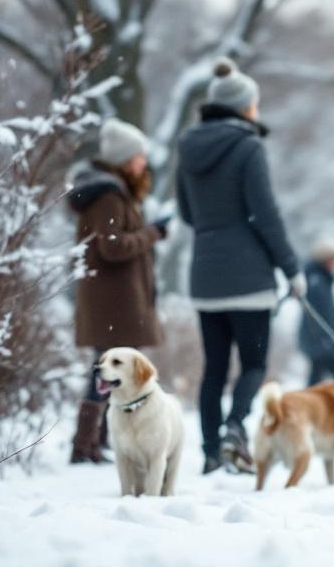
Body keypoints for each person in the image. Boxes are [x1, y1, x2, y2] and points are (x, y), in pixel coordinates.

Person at [176, 58, 303, 474]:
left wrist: (215, 231)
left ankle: (212, 451)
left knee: (214, 368)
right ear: (245, 106)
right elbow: (265, 214)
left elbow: (187, 213)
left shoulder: (187, 149)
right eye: (255, 104)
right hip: (249, 278)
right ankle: (235, 428)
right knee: (253, 364)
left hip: (205, 278)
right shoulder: (248, 147)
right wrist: (291, 268)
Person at [67, 119, 166, 464]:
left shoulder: (113, 192)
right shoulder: (108, 196)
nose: (143, 162)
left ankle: (96, 443)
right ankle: (85, 445)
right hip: (113, 303)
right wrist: (152, 234)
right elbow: (113, 247)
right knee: (106, 369)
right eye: (138, 156)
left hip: (114, 301)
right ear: (124, 159)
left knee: (109, 371)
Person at [298, 236, 334, 386]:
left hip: (322, 340)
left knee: (316, 377)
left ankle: (305, 406)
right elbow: (319, 314)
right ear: (328, 259)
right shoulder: (317, 281)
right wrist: (327, 339)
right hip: (321, 341)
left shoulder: (320, 279)